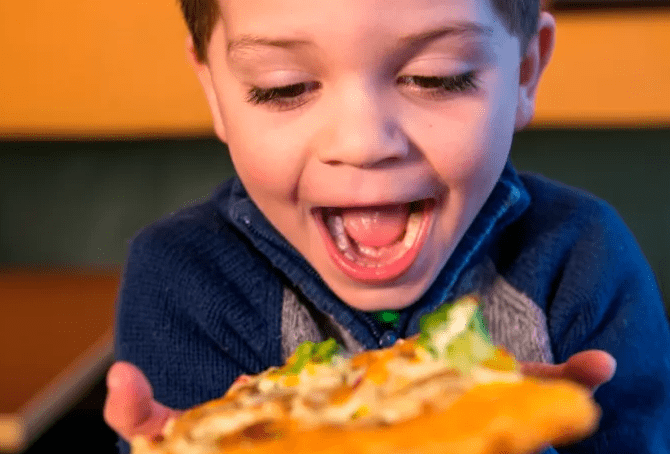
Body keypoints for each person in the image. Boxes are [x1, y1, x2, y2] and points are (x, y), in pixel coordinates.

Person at [104, 0, 670, 452]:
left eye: (436, 77)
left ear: (524, 72)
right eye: (283, 86)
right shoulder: (183, 283)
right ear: (216, 93)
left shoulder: (583, 260)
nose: (364, 143)